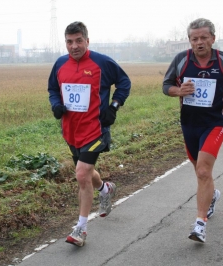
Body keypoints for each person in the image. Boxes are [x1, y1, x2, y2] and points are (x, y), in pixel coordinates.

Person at [48, 21, 131, 247]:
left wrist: (113, 106)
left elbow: (124, 82)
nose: (74, 46)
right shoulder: (60, 64)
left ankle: (81, 229)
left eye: (78, 41)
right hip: (71, 132)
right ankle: (105, 189)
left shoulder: (101, 62)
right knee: (87, 172)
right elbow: (53, 89)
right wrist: (56, 105)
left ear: (87, 40)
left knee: (82, 175)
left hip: (96, 130)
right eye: (69, 41)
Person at [162, 18, 223, 243]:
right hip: (189, 124)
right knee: (200, 170)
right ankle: (212, 196)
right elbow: (166, 85)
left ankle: (199, 224)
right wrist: (178, 91)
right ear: (189, 40)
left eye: (203, 38)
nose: (199, 42)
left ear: (212, 39)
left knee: (203, 171)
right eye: (194, 38)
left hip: (215, 123)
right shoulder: (181, 60)